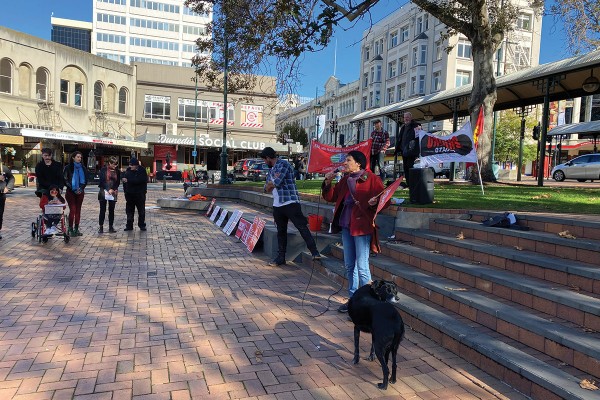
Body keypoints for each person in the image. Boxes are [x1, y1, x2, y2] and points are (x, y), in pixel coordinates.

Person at [321, 150, 389, 313]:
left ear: (358, 163)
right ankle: (353, 299)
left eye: (348, 160)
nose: (345, 163)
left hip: (362, 226)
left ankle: (369, 301)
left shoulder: (372, 179)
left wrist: (375, 202)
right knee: (350, 264)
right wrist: (327, 183)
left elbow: (386, 200)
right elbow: (331, 197)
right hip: (346, 225)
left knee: (362, 265)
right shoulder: (344, 180)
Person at [260, 147, 321, 266]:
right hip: (277, 204)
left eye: (264, 159)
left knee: (301, 227)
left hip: (290, 202)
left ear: (268, 158)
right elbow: (265, 188)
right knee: (280, 231)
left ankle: (314, 251)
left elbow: (277, 182)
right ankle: (280, 257)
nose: (264, 162)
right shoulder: (271, 170)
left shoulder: (283, 164)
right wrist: (270, 185)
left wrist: (270, 185)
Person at [63, 151, 88, 236]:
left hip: (80, 192)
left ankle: (76, 228)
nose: (79, 158)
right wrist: (73, 188)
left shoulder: (83, 168)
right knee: (73, 210)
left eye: (80, 157)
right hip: (71, 192)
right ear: (73, 157)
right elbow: (65, 180)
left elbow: (85, 181)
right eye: (78, 157)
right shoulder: (68, 167)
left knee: (78, 210)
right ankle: (70, 228)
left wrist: (81, 188)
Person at [122, 157, 148, 231]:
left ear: (136, 165)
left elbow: (140, 180)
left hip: (139, 194)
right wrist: (125, 192)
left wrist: (129, 180)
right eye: (129, 165)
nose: (130, 167)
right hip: (130, 194)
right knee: (129, 211)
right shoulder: (128, 170)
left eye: (132, 165)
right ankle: (129, 225)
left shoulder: (142, 170)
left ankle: (142, 225)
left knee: (141, 210)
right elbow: (124, 181)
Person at [395, 112, 419, 188]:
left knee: (410, 166)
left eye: (407, 117)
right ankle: (409, 183)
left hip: (411, 151)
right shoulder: (403, 127)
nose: (406, 119)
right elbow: (400, 139)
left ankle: (412, 183)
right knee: (405, 167)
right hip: (403, 151)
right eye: (405, 117)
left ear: (411, 117)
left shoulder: (416, 126)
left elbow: (418, 138)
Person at [97, 156, 121, 234]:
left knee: (111, 210)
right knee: (102, 210)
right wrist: (108, 189)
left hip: (113, 192)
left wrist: (113, 189)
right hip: (104, 191)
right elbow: (102, 181)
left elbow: (117, 182)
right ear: (109, 163)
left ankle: (111, 226)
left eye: (116, 164)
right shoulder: (103, 170)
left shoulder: (117, 171)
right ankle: (101, 227)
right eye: (113, 164)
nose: (115, 166)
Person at [0, 164, 15, 239]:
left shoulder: (3, 168)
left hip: (1, 194)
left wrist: (8, 188)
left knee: (0, 214)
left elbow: (11, 178)